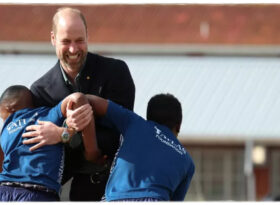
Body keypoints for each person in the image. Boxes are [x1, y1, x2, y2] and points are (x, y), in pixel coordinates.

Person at [26, 7, 135, 201]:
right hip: (75, 190)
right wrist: (67, 132)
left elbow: (121, 130)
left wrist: (63, 133)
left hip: (120, 185)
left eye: (79, 40)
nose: (74, 49)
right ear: (53, 39)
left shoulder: (116, 72)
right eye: (66, 41)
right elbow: (45, 151)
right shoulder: (40, 91)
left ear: (88, 36)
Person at [67, 93, 195, 201]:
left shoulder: (135, 123)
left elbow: (85, 99)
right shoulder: (187, 161)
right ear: (178, 126)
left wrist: (91, 151)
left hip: (117, 198)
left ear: (148, 117)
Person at [0, 85, 101, 201]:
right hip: (38, 193)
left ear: (9, 109)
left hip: (3, 190)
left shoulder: (5, 130)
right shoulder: (47, 115)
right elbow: (77, 98)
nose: (4, 120)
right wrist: (91, 153)